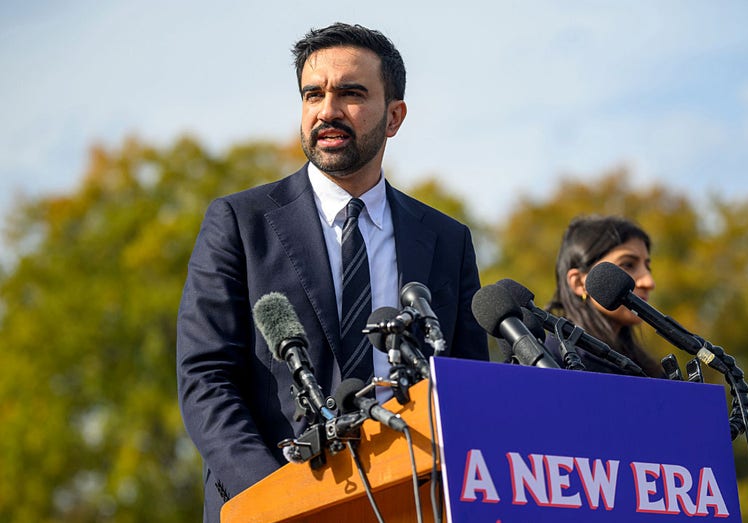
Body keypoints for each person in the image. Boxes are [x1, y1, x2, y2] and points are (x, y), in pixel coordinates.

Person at [176, 23, 489, 522]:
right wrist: (284, 497)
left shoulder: (447, 241)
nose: (327, 111)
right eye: (313, 94)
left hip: (415, 501)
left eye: (350, 93)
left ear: (394, 116)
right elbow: (206, 379)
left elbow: (468, 387)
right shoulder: (239, 222)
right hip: (275, 504)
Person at [545, 215, 665, 378]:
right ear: (580, 283)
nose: (649, 282)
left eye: (647, 267)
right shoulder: (548, 363)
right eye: (628, 265)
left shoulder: (648, 370)